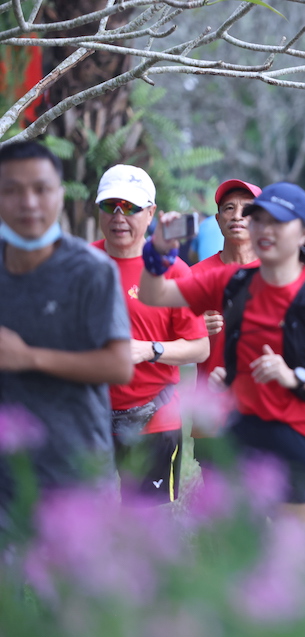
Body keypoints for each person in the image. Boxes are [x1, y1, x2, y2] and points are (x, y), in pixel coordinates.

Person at [140, 182, 305, 524]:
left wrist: (294, 376)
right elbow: (154, 294)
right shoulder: (230, 282)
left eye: (277, 223)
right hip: (243, 435)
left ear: (304, 234)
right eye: (259, 220)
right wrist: (158, 250)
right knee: (245, 544)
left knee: (302, 544)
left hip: (304, 435)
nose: (264, 230)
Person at [0, 142, 132, 519]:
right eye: (11, 190)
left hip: (75, 474)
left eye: (40, 189)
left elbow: (119, 365)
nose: (28, 203)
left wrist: (28, 358)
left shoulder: (91, 270)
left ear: (60, 194)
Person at [90, 165, 209, 504]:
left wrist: (148, 350)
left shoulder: (174, 270)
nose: (118, 217)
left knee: (145, 526)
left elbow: (199, 347)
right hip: (91, 419)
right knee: (83, 524)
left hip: (153, 420)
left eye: (129, 207)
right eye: (109, 205)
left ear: (151, 212)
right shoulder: (83, 264)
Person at [185, 178, 261, 461]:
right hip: (212, 414)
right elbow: (167, 343)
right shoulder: (194, 276)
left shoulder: (280, 275)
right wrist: (196, 330)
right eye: (229, 208)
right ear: (218, 220)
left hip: (264, 411)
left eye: (248, 209)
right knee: (216, 503)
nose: (238, 215)